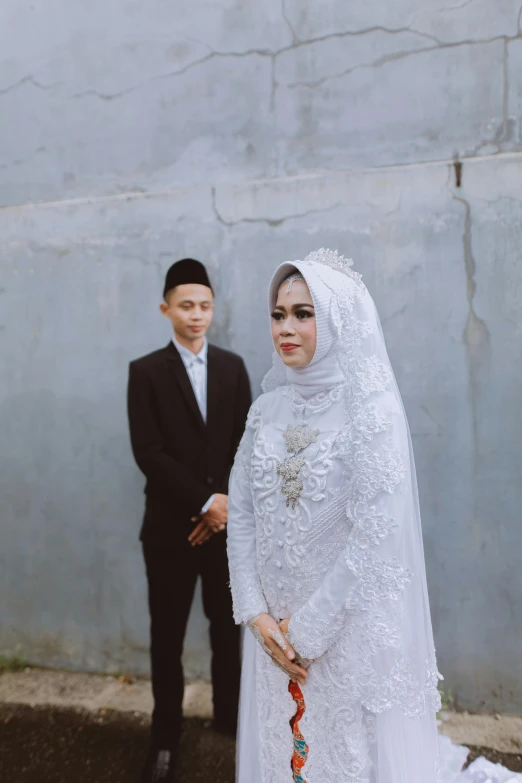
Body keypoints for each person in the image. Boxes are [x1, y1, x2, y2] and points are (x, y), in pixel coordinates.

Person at [227, 249, 442, 783]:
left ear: (339, 318)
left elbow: (378, 533)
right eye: (279, 314)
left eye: (305, 313)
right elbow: (244, 514)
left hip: (341, 635)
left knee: (341, 760)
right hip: (270, 635)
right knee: (280, 757)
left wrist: (308, 631)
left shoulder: (372, 412)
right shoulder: (265, 408)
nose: (287, 327)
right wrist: (256, 613)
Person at [128, 258, 251, 783]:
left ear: (213, 309)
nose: (196, 315)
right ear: (166, 309)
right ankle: (164, 738)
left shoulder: (232, 367)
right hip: (171, 530)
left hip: (227, 532)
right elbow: (149, 453)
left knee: (228, 631)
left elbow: (249, 445)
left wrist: (223, 508)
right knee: (168, 636)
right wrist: (205, 504)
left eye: (204, 305)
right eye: (185, 306)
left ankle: (231, 718)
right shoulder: (146, 372)